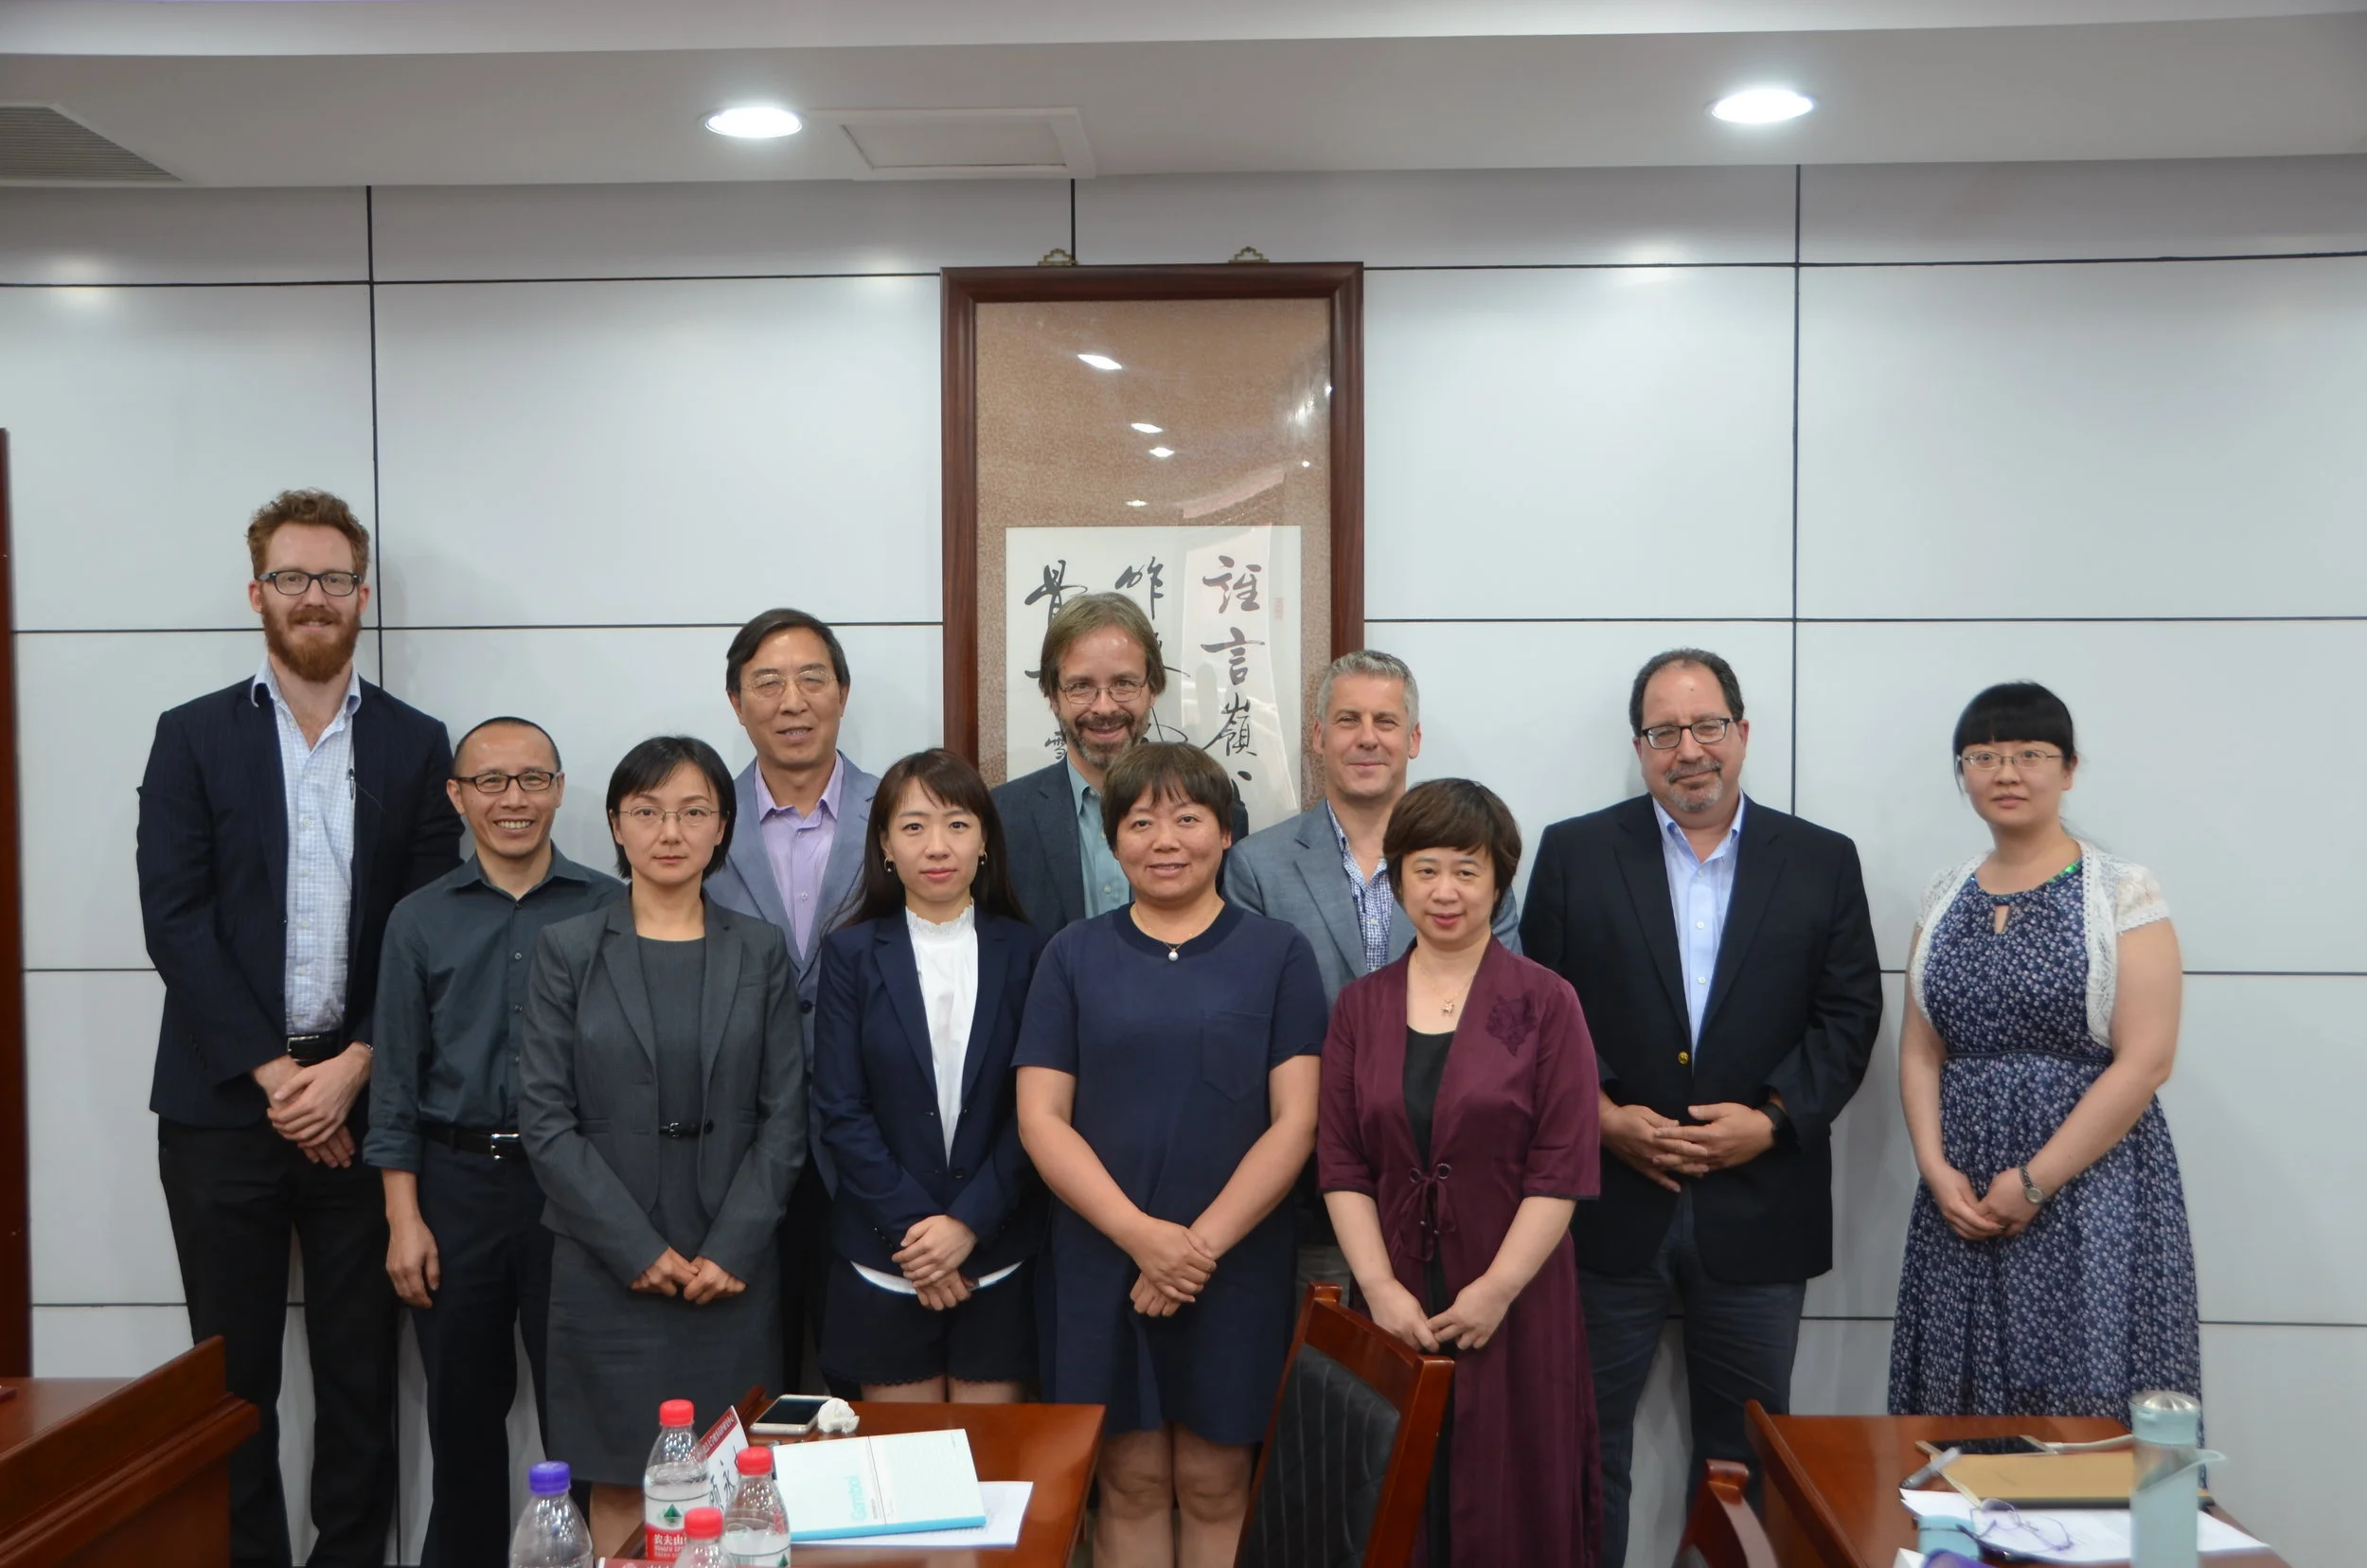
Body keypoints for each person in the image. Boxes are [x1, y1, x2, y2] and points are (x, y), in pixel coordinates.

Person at [136, 488, 461, 1567]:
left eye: (332, 579)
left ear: (362, 597)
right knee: (231, 1381)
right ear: (257, 594)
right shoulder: (190, 738)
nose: (313, 597)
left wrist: (352, 1069)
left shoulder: (419, 745)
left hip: (367, 1104)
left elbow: (425, 930)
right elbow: (175, 922)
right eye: (291, 578)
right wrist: (286, 1080)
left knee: (361, 1369)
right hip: (224, 1104)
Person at [1520, 648, 1882, 1568]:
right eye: (1665, 731)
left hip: (1760, 1203)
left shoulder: (1821, 861)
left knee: (1744, 1457)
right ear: (1639, 747)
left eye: (1707, 726)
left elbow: (1848, 1017)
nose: (1689, 750)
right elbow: (1533, 1006)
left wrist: (1768, 1120)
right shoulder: (1573, 852)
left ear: (1743, 733)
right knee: (1580, 1446)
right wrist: (1598, 1114)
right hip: (1604, 1202)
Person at [1016, 742, 1326, 1568]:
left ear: (1226, 833)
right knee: (1128, 1483)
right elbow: (1042, 1118)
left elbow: (1296, 1122)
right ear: (1114, 840)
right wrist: (1142, 1238)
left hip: (1235, 1263)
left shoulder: (1277, 953)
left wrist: (1196, 1248)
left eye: (1188, 818)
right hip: (1100, 1258)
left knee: (1220, 1480)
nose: (1165, 839)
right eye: (1141, 820)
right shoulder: (1071, 955)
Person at [1889, 683, 2198, 1417]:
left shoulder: (2120, 890)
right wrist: (1935, 1171)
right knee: (1954, 1407)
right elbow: (1920, 1049)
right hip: (1959, 1193)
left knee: (2083, 1399)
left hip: (2091, 1188)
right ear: (1962, 772)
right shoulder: (1944, 893)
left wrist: (2033, 1181)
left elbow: (2147, 1059)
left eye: (2030, 754)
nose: (2006, 772)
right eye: (1984, 755)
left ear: (2069, 770)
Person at [1319, 778, 1603, 1566]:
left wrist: (1498, 1288)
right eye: (1427, 869)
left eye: (1468, 870)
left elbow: (1562, 1165)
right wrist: (1377, 1288)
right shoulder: (1359, 1007)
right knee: (1396, 1500)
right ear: (1399, 877)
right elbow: (1341, 1164)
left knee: (1512, 1500)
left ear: (1499, 880)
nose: (1446, 892)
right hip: (1395, 1294)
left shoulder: (1547, 1003)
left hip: (1515, 1294)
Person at [365, 717, 622, 1568]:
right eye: (491, 782)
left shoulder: (606, 909)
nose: (514, 800)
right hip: (457, 1185)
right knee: (463, 1426)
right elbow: (395, 1082)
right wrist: (405, 1218)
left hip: (573, 1193)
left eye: (533, 780)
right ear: (457, 796)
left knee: (581, 1422)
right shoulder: (418, 920)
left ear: (557, 788)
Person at [518, 737, 806, 1491]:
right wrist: (632, 1247)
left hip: (731, 1264)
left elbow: (785, 1115)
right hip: (605, 1264)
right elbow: (545, 1119)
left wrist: (737, 1245)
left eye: (692, 812)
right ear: (616, 825)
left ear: (722, 827)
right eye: (647, 811)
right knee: (620, 1486)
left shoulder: (760, 950)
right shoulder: (568, 950)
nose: (669, 832)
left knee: (735, 1487)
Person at [1226, 650, 1524, 1289]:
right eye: (1348, 719)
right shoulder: (1258, 865)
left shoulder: (1470, 868)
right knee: (1324, 1379)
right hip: (1305, 1187)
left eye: (1386, 722)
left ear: (1413, 739)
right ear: (1317, 736)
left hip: (1450, 1182)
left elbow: (1504, 1016)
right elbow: (1247, 1026)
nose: (1367, 738)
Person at [811, 749, 1046, 1403]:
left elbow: (1037, 1113)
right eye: (913, 826)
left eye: (956, 823)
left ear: (985, 843)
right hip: (887, 1256)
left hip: (998, 1251)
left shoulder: (1031, 952)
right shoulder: (851, 955)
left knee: (993, 1476)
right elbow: (840, 1108)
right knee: (902, 1479)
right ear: (885, 844)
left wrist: (966, 1227)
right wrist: (922, 1236)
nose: (936, 846)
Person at [704, 607, 881, 1391]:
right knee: (748, 1373)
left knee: (865, 1372)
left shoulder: (905, 816)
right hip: (736, 1142)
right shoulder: (700, 821)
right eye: (767, 683)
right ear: (736, 702)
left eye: (813, 678)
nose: (793, 701)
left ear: (843, 691)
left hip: (873, 1139)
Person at [994, 592, 1247, 939]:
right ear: (1053, 697)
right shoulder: (1000, 818)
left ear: (1153, 688)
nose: (1104, 707)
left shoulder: (1216, 806)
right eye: (1081, 686)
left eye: (1123, 684)